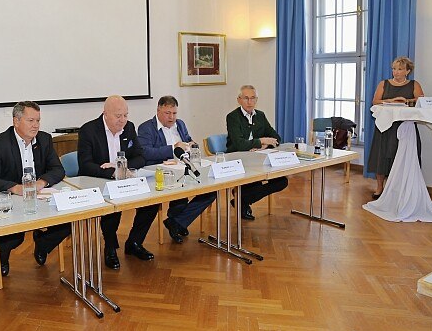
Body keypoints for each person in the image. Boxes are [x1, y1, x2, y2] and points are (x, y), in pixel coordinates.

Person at [0, 101, 68, 276]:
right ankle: (4, 257)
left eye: (38, 120)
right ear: (16, 121)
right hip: (13, 201)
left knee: (69, 220)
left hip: (40, 197)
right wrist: (15, 188)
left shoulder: (44, 139)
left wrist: (41, 182)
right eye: (30, 120)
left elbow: (58, 170)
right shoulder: (0, 142)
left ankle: (43, 244)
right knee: (14, 235)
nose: (35, 125)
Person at [77, 95, 159, 269]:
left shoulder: (129, 128)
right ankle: (110, 248)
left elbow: (140, 156)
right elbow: (85, 165)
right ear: (105, 114)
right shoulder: (88, 130)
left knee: (151, 203)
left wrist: (123, 167)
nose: (122, 120)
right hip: (98, 181)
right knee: (112, 209)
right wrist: (112, 172)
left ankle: (134, 243)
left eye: (125, 115)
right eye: (118, 116)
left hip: (124, 178)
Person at [138, 96, 216, 243]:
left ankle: (177, 222)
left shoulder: (180, 124)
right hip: (161, 171)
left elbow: (189, 140)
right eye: (167, 113)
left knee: (211, 191)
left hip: (184, 169)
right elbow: (145, 152)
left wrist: (192, 145)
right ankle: (178, 222)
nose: (172, 117)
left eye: (174, 113)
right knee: (179, 192)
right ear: (158, 111)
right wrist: (173, 149)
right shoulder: (146, 127)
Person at [225, 85, 288, 220]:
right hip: (237, 159)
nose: (249, 102)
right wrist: (262, 140)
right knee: (253, 181)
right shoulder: (232, 117)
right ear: (239, 100)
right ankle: (242, 202)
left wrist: (261, 147)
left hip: (257, 159)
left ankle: (241, 201)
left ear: (256, 100)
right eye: (246, 98)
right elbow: (240, 144)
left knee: (282, 181)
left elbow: (277, 138)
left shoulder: (260, 115)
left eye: (253, 98)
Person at [368, 56, 424, 200]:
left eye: (400, 69)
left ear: (407, 71)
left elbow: (421, 101)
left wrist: (406, 101)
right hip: (385, 127)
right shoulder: (384, 84)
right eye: (394, 69)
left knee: (404, 158)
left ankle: (401, 189)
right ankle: (380, 187)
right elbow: (375, 101)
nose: (396, 72)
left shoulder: (414, 84)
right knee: (381, 157)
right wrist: (391, 101)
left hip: (405, 127)